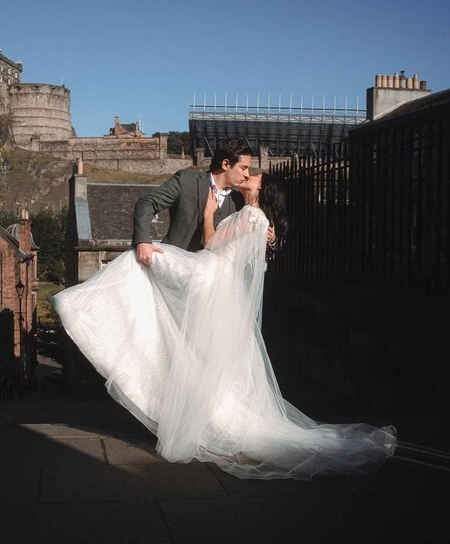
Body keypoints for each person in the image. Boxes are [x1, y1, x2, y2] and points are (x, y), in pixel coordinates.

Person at [50, 173, 396, 480]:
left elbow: (214, 243)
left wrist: (207, 215)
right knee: (205, 358)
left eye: (254, 175)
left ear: (262, 189)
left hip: (208, 276)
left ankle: (82, 307)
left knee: (140, 260)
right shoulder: (258, 219)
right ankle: (203, 414)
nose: (249, 174)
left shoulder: (248, 214)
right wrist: (270, 238)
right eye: (245, 168)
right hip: (219, 285)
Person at [132, 138, 275, 264]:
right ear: (226, 164)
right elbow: (147, 202)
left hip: (210, 284)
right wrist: (143, 240)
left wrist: (270, 239)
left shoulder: (239, 201)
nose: (247, 174)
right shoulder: (186, 181)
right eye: (243, 168)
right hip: (171, 269)